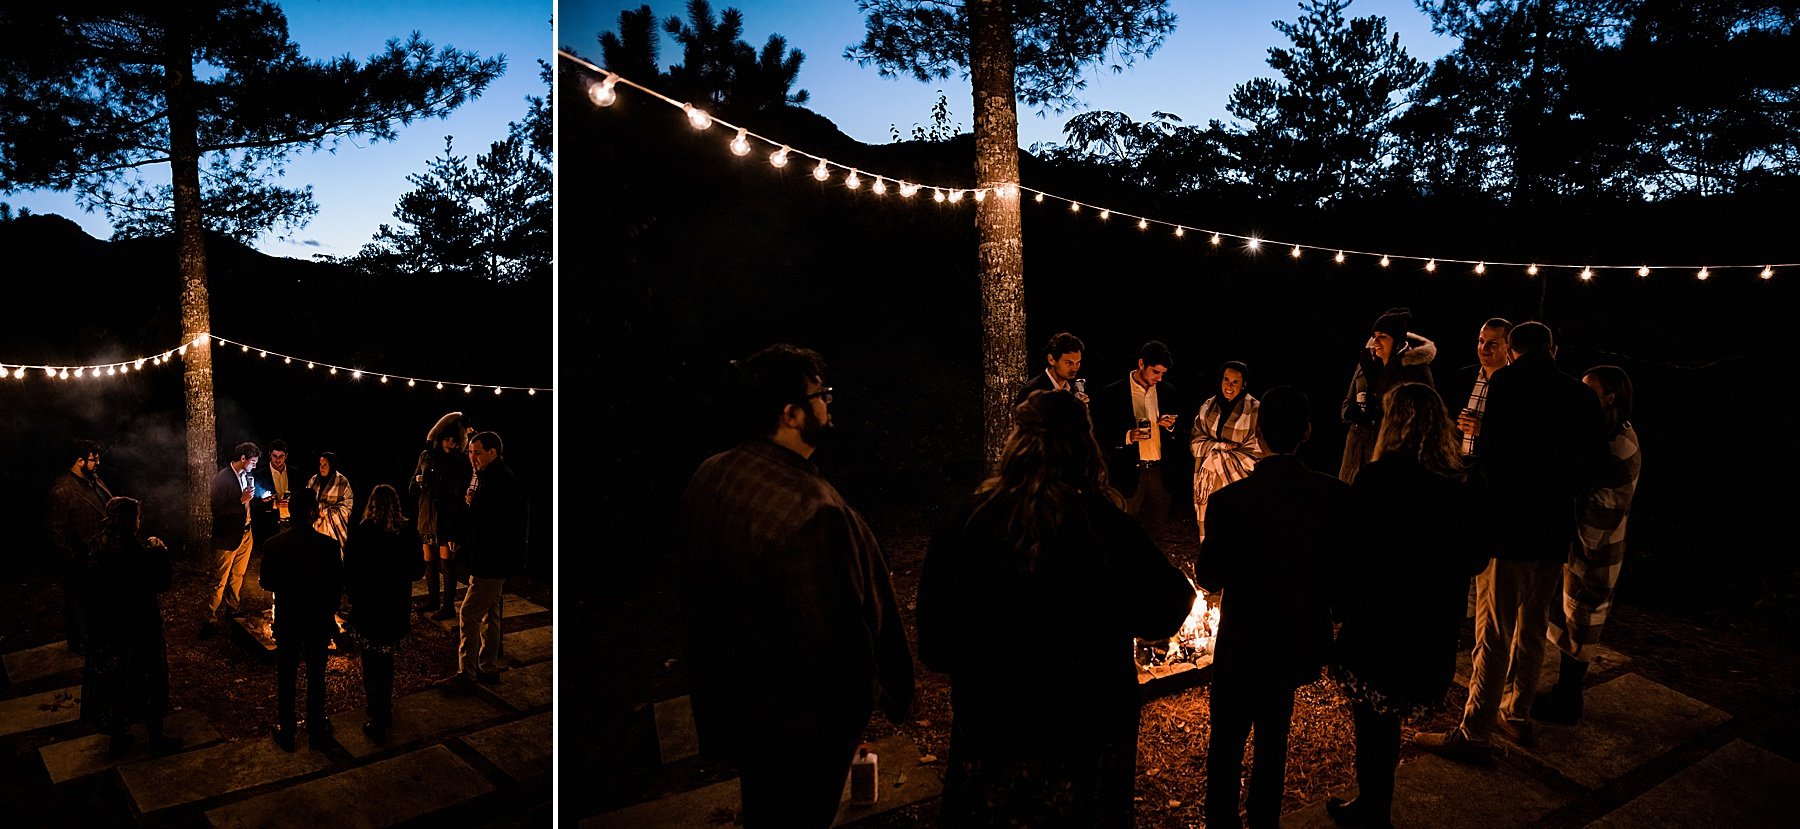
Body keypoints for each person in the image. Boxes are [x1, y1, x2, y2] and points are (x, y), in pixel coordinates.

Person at [919, 390, 1194, 827]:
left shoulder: (969, 520)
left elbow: (935, 642)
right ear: (1085, 448)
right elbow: (1170, 606)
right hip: (1086, 744)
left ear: (1016, 445)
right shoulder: (1103, 526)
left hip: (993, 740)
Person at [675, 344, 914, 828]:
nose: (829, 404)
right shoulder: (811, 512)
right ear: (791, 413)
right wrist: (859, 709)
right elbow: (836, 642)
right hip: (795, 729)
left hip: (734, 704)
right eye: (821, 395)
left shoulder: (712, 472)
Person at [1416, 322, 1607, 763]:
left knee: (1495, 630)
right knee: (1534, 625)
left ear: (1514, 352)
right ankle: (1518, 712)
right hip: (1553, 528)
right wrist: (1561, 488)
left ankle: (1475, 730)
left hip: (1508, 528)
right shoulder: (1577, 395)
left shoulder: (1506, 384)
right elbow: (1595, 465)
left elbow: (1495, 459)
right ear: (1553, 349)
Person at [1325, 384, 1487, 829]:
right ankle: (1375, 804)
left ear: (1393, 424)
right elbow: (1475, 557)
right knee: (1390, 721)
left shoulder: (1378, 480)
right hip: (1426, 631)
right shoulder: (1456, 488)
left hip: (1377, 629)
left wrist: (1338, 609)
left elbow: (1349, 554)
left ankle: (1373, 808)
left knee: (1373, 726)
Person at [1196, 385, 1350, 829]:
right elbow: (1341, 576)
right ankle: (1264, 821)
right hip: (1294, 641)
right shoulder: (1332, 496)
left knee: (1225, 745)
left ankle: (1221, 822)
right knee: (1274, 742)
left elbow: (1209, 577)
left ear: (1258, 434)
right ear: (1306, 432)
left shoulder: (1229, 502)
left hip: (1242, 642)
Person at [1537, 366, 1641, 724]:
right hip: (1587, 542)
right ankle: (1565, 694)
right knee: (1571, 617)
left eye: (1589, 390)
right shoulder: (1603, 432)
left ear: (1610, 396)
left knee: (1583, 617)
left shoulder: (1620, 444)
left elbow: (1607, 502)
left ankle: (1569, 701)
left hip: (1598, 547)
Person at [80, 496, 182, 759]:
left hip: (107, 630)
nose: (139, 521)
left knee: (115, 684)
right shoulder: (136, 553)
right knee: (149, 681)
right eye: (137, 517)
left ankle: (118, 736)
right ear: (131, 520)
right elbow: (160, 582)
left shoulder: (96, 546)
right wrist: (160, 552)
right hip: (139, 628)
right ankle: (156, 739)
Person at [434, 431, 525, 692]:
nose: (472, 457)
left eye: (477, 452)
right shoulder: (493, 478)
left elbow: (490, 525)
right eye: (470, 452)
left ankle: (467, 674)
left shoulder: (499, 482)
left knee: (469, 613)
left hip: (491, 560)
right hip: (494, 559)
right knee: (491, 614)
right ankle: (487, 666)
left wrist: (467, 515)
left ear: (492, 452)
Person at [259, 486, 344, 751]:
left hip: (288, 619)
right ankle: (316, 727)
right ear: (314, 513)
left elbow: (267, 582)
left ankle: (287, 729)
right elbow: (337, 584)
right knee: (316, 675)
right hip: (317, 620)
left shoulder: (273, 545)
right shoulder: (329, 546)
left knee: (287, 675)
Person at [345, 483, 423, 745]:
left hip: (369, 609)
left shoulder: (363, 532)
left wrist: (353, 597)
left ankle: (377, 717)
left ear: (372, 505)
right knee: (386, 662)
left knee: (371, 663)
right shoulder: (408, 533)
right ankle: (384, 709)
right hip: (394, 607)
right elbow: (417, 571)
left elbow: (350, 570)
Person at [1094, 340, 1189, 538]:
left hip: (1158, 473)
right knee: (1123, 532)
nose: (1159, 378)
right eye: (1155, 372)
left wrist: (1170, 426)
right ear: (1141, 364)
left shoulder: (1167, 392)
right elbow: (1100, 433)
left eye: (1163, 373)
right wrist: (1128, 436)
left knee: (1155, 533)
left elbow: (1180, 433)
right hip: (1127, 473)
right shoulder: (1113, 393)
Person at [1339, 308, 1437, 483]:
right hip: (1355, 460)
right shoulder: (1366, 364)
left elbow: (1425, 422)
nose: (1375, 341)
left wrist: (1379, 415)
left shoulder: (1416, 371)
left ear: (1398, 341)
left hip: (1390, 462)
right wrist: (1350, 413)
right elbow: (1347, 403)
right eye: (1375, 336)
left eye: (1382, 336)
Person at [46, 439, 112, 654]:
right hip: (80, 559)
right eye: (94, 459)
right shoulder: (63, 490)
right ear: (79, 461)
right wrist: (74, 557)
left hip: (100, 555)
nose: (98, 463)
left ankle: (97, 637)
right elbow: (57, 532)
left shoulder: (94, 480)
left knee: (98, 601)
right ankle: (79, 644)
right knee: (77, 603)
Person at [1190, 361, 1265, 542]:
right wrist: (1219, 448)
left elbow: (1259, 448)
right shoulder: (1209, 406)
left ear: (1243, 384)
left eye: (1235, 382)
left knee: (1236, 529)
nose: (1229, 386)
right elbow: (1195, 439)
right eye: (1226, 380)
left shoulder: (1255, 410)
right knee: (1211, 526)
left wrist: (1222, 458)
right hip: (1209, 480)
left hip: (1238, 482)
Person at [412, 413, 471, 619]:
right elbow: (413, 482)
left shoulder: (461, 461)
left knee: (447, 562)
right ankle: (433, 599)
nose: (451, 443)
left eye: (455, 440)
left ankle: (448, 606)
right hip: (428, 515)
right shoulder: (428, 456)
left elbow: (462, 491)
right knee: (429, 560)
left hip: (448, 517)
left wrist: (457, 528)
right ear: (441, 439)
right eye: (447, 439)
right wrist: (418, 484)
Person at [203, 441, 260, 635]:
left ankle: (232, 608)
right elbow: (217, 510)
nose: (254, 465)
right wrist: (240, 501)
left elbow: (247, 502)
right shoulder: (222, 479)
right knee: (220, 578)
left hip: (246, 533)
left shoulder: (246, 476)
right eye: (253, 461)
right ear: (243, 458)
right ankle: (210, 618)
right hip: (227, 536)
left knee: (238, 574)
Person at [1445, 319, 1513, 463]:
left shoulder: (1516, 383)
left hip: (1493, 469)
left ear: (1508, 346)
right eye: (1481, 341)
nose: (1483, 348)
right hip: (1458, 465)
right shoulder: (1463, 376)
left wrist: (1482, 430)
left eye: (1492, 343)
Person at [1014, 331, 1089, 404]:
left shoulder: (1074, 391)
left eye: (1078, 362)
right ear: (1051, 360)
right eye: (1069, 363)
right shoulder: (1032, 392)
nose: (1075, 368)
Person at [251, 438, 296, 546]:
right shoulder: (259, 475)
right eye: (275, 456)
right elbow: (254, 503)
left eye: (281, 456)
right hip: (270, 525)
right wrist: (274, 504)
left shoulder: (294, 473)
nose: (277, 460)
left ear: (286, 456)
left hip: (292, 523)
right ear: (270, 455)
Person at [308, 451, 354, 553]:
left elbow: (347, 507)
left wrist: (325, 512)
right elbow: (306, 500)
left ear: (331, 466)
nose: (321, 468)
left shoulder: (342, 482)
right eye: (320, 464)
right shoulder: (314, 480)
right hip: (315, 527)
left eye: (325, 465)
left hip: (334, 529)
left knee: (331, 554)